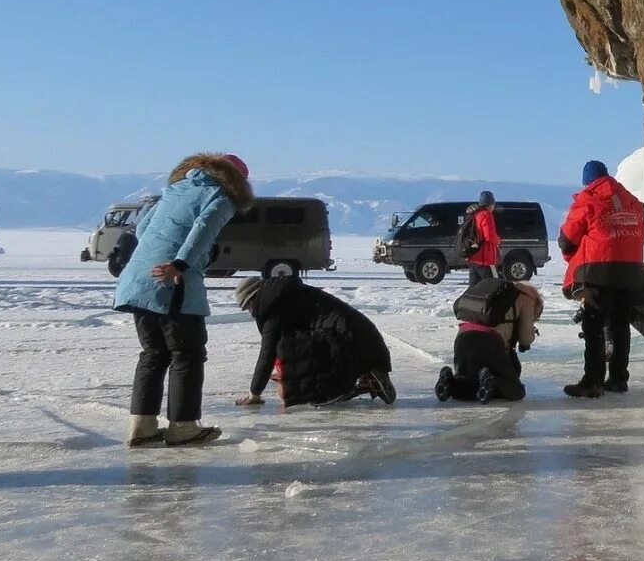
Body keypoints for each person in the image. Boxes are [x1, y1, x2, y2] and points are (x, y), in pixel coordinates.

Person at [114, 153, 252, 447]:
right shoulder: (221, 196)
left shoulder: (173, 190)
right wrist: (181, 263)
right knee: (187, 355)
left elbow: (141, 229)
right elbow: (204, 230)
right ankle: (184, 427)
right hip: (172, 281)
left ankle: (141, 428)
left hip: (137, 279)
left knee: (153, 354)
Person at [559, 160, 644, 397]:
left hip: (598, 270)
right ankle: (619, 379)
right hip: (630, 270)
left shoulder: (587, 200)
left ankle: (592, 381)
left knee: (594, 325)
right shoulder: (632, 202)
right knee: (620, 325)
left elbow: (567, 239)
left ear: (588, 181)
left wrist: (575, 257)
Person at [232, 275, 396, 407]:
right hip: (364, 339)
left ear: (254, 299)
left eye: (248, 307)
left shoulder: (274, 308)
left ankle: (345, 387)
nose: (250, 312)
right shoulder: (286, 294)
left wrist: (255, 393)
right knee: (296, 346)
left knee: (292, 351)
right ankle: (367, 375)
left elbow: (268, 352)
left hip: (349, 340)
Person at [436, 280, 545, 403]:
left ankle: (450, 383)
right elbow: (526, 338)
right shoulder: (526, 298)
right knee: (515, 390)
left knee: (468, 381)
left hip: (463, 338)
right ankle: (493, 381)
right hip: (490, 341)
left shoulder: (496, 292)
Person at [464, 190, 502, 285]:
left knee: (474, 289)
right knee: (495, 286)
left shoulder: (475, 214)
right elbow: (489, 236)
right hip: (485, 259)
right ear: (491, 204)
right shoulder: (486, 215)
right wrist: (498, 240)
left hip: (474, 257)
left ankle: (465, 300)